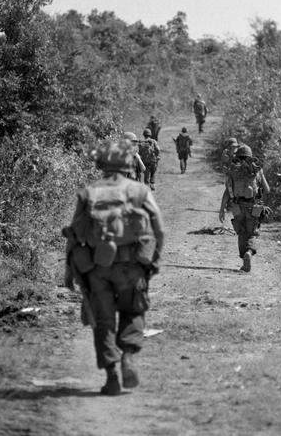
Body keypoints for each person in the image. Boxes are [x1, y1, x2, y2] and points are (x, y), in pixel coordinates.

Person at [63, 139, 165, 396]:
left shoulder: (89, 191)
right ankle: (128, 357)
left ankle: (111, 377)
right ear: (128, 162)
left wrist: (68, 271)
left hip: (98, 266)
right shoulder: (139, 190)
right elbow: (159, 228)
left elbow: (74, 234)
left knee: (103, 321)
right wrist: (154, 259)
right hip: (132, 266)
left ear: (101, 163)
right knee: (133, 312)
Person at [219, 144, 270, 273]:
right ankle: (249, 252)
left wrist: (221, 209)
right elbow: (267, 189)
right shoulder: (257, 170)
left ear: (238, 156)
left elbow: (227, 191)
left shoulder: (233, 171)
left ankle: (244, 261)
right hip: (253, 207)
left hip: (237, 206)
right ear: (250, 156)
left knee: (241, 233)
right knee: (252, 233)